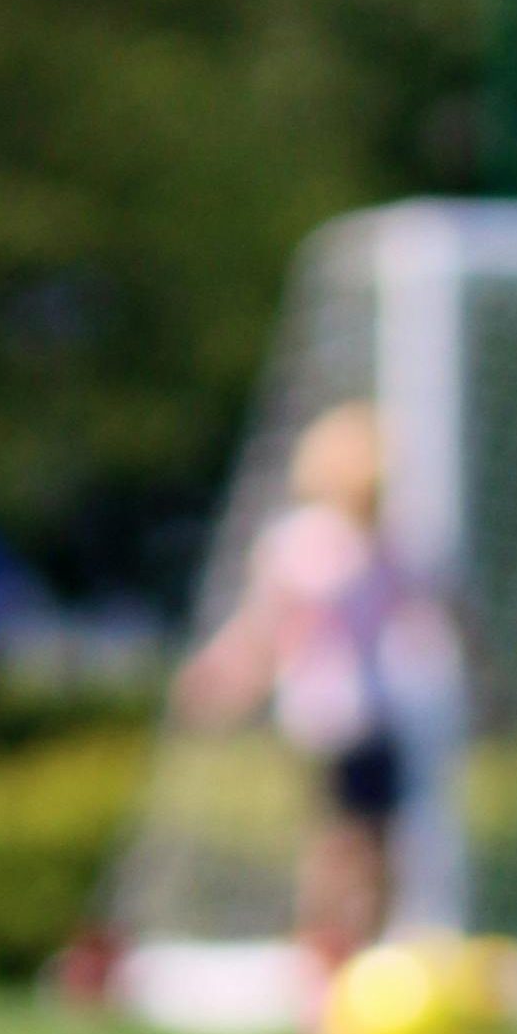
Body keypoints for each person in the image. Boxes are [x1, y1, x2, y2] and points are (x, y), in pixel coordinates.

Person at [173, 404, 449, 964]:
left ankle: (369, 953)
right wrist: (227, 674)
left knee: (379, 845)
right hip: (324, 716)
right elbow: (265, 626)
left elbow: (432, 612)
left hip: (378, 716)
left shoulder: (390, 544)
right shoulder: (302, 542)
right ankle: (324, 958)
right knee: (338, 845)